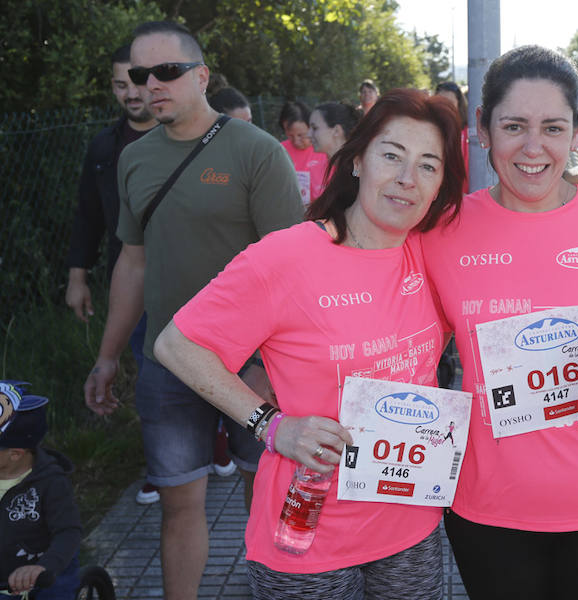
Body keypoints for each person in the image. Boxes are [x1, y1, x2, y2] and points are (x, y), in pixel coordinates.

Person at [153, 88, 466, 599]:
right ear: (358, 161)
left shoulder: (433, 251)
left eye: (428, 165)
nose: (408, 179)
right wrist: (270, 425)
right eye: (392, 156)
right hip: (308, 537)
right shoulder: (287, 257)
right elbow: (177, 345)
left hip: (411, 528)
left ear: (439, 186)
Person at [421, 45, 578, 600]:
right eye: (514, 125)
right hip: (490, 512)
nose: (534, 147)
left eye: (553, 127)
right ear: (483, 129)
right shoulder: (441, 233)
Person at [82, 21, 303, 600]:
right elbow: (133, 264)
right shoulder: (135, 159)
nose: (151, 84)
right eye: (139, 74)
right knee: (178, 504)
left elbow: (293, 270)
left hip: (254, 363)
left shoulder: (257, 153)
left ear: (202, 75)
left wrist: (267, 367)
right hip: (170, 361)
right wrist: (108, 358)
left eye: (168, 71)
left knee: (267, 496)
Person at [63, 43, 167, 506]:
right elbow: (88, 214)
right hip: (131, 285)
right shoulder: (104, 145)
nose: (129, 92)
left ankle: (219, 447)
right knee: (150, 378)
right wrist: (77, 276)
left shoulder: (183, 140)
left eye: (137, 81)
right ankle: (162, 468)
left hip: (194, 282)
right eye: (118, 84)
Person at [1, 381, 81, 599]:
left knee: (56, 590)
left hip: (44, 571)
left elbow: (68, 531)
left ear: (15, 454)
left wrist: (44, 567)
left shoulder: (51, 482)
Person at [279, 101, 328, 206]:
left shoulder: (325, 150)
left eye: (301, 135)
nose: (296, 141)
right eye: (290, 136)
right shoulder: (279, 151)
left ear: (311, 129)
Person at [435, 81, 469, 194]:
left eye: (449, 103)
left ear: (458, 106)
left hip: (462, 197)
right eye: (439, 102)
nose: (444, 107)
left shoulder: (468, 133)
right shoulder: (428, 131)